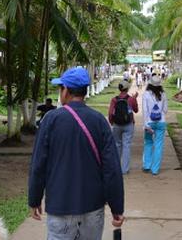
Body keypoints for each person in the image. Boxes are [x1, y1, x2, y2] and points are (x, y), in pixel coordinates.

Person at [28, 67, 125, 240]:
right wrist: (117, 207)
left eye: (61, 88)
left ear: (65, 90)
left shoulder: (51, 120)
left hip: (60, 206)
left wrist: (34, 199)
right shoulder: (99, 121)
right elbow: (112, 169)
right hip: (92, 207)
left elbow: (38, 165)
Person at [108, 80, 139, 174]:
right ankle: (125, 169)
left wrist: (112, 122)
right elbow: (136, 110)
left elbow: (110, 113)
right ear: (127, 88)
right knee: (126, 146)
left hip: (116, 124)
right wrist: (134, 99)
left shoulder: (114, 99)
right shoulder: (130, 99)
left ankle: (116, 168)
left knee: (117, 145)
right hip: (128, 124)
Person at [142, 76, 168, 176]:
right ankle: (155, 169)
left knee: (148, 143)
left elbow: (145, 111)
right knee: (158, 145)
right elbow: (165, 110)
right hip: (161, 122)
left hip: (149, 123)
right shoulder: (164, 94)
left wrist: (145, 124)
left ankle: (147, 166)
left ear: (150, 84)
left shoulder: (146, 94)